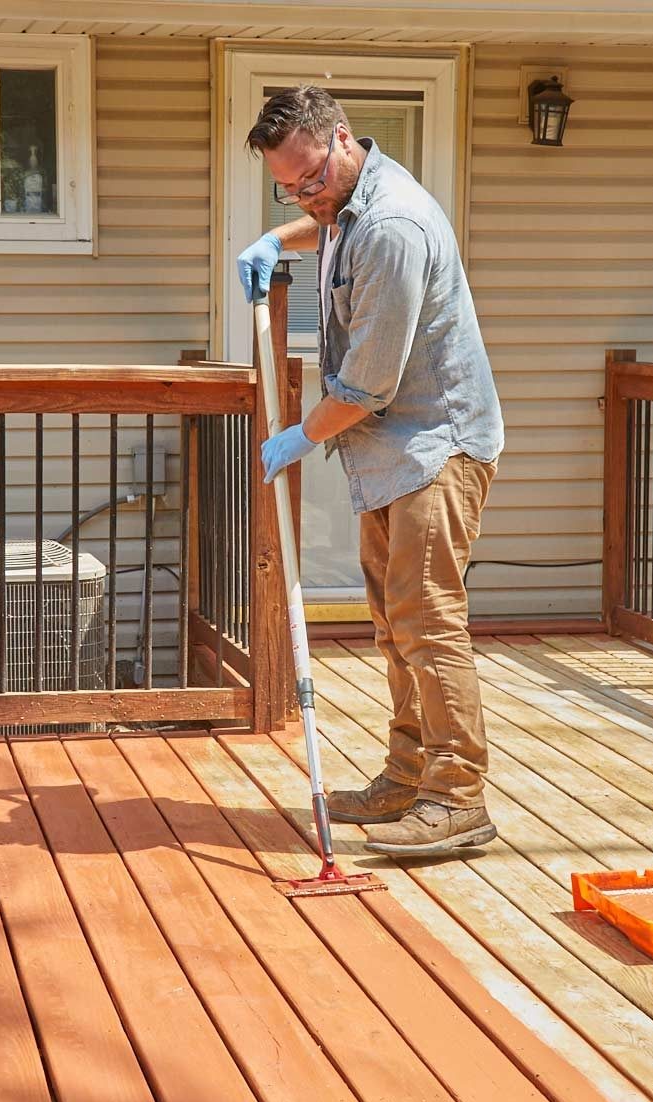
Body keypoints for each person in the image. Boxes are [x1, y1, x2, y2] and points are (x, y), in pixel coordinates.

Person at [237, 85, 504, 857]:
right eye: (287, 186)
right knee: (394, 627)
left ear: (343, 140)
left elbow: (366, 386)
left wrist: (295, 437)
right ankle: (407, 776)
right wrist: (279, 238)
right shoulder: (347, 207)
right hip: (393, 453)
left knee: (427, 623)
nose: (303, 195)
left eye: (310, 179)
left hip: (433, 448)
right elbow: (328, 228)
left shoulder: (392, 226)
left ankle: (457, 798)